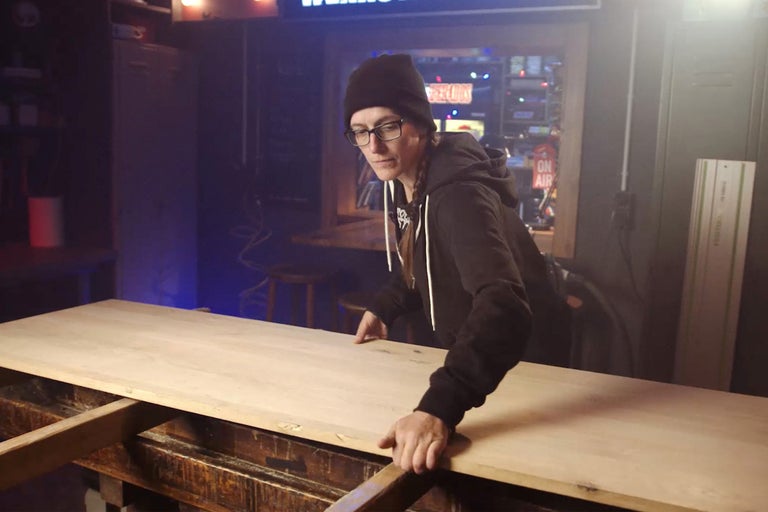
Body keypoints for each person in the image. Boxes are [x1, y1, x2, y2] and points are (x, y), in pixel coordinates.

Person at [343, 53, 570, 475]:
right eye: (361, 132)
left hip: (527, 370)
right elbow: (422, 259)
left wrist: (439, 408)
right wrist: (384, 306)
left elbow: (505, 308)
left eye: (388, 126)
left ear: (422, 127)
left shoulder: (458, 195)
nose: (374, 146)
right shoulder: (405, 179)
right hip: (480, 365)